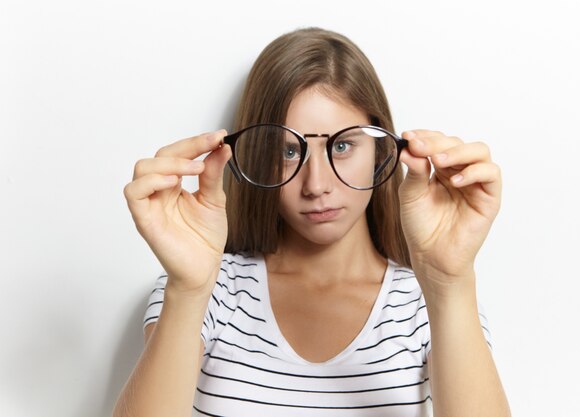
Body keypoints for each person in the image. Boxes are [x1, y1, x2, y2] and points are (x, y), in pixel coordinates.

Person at [115, 27, 510, 417]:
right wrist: (188, 289)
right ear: (257, 156)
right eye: (289, 151)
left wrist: (449, 283)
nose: (317, 185)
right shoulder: (210, 291)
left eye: (341, 146)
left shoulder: (428, 303)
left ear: (379, 149)